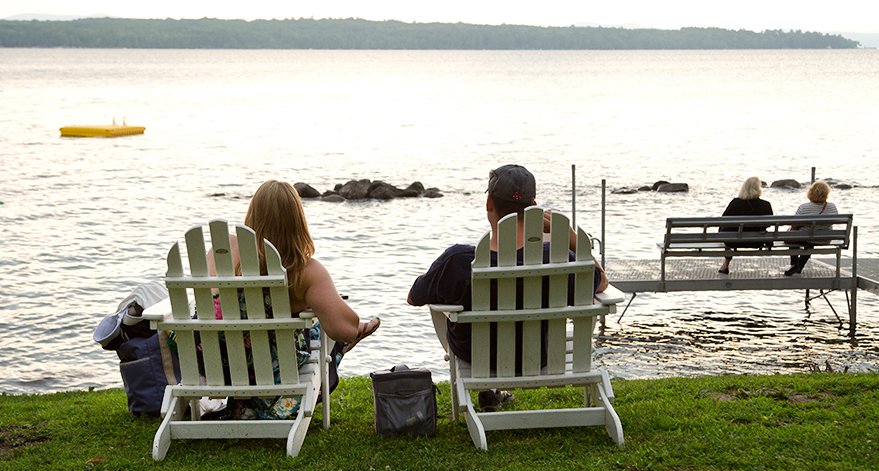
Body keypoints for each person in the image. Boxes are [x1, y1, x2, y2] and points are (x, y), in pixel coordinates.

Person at [407, 164, 608, 412]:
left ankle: (487, 389)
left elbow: (414, 297)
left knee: (440, 291)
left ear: (489, 203)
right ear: (534, 207)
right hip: (539, 358)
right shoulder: (559, 261)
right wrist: (570, 238)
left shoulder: (457, 260)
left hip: (477, 358)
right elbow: (602, 281)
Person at [205, 180, 380, 419]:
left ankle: (243, 403)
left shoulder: (222, 251)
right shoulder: (306, 270)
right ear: (297, 221)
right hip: (274, 373)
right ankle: (267, 405)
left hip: (218, 366)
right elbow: (345, 330)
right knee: (324, 331)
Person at [717, 176, 773, 274]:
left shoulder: (735, 203)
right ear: (758, 189)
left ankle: (726, 264)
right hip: (756, 241)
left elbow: (723, 220)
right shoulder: (765, 205)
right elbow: (769, 223)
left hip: (733, 241)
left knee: (727, 231)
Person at [784, 181, 838, 276]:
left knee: (794, 237)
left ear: (811, 193)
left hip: (804, 238)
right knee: (810, 242)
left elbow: (794, 223)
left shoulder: (804, 207)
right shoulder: (832, 207)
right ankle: (799, 266)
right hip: (824, 239)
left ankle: (794, 264)